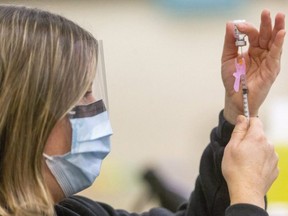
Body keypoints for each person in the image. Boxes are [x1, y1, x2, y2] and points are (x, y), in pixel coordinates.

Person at [0, 5, 284, 216]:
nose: (96, 109)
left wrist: (237, 113)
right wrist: (247, 196)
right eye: (82, 94)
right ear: (27, 117)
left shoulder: (68, 211)